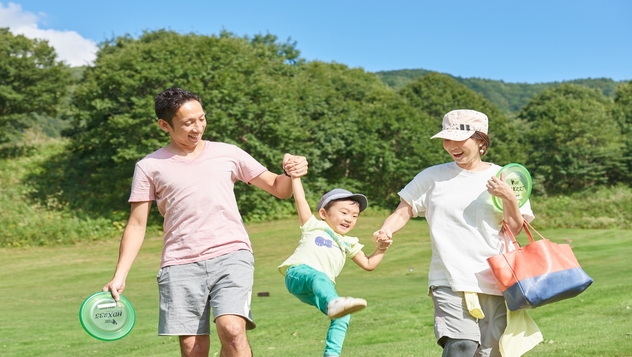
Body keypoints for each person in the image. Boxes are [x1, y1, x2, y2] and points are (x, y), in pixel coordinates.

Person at [102, 87, 308, 357]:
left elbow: (279, 188)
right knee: (193, 349)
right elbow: (137, 225)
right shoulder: (149, 166)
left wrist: (291, 171)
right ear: (164, 125)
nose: (197, 127)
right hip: (180, 263)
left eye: (201, 118)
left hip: (231, 254)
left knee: (232, 329)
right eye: (188, 122)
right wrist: (120, 275)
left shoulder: (228, 153)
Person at [375, 109, 535, 357]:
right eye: (447, 140)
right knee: (462, 345)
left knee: (489, 353)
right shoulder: (432, 177)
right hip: (448, 277)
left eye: (459, 140)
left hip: (494, 278)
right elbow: (403, 210)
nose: (451, 146)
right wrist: (386, 228)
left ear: (481, 141)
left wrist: (509, 198)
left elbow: (513, 229)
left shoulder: (506, 176)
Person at [279, 176, 392, 357]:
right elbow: (300, 199)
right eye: (344, 212)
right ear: (324, 213)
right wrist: (296, 176)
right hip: (299, 274)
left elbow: (369, 264)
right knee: (319, 277)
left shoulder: (349, 243)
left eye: (355, 216)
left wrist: (382, 248)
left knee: (343, 316)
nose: (349, 219)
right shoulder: (314, 225)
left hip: (321, 289)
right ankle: (334, 302)